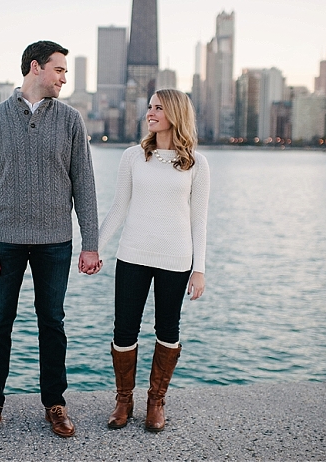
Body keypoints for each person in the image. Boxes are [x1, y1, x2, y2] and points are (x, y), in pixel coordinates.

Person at [0, 40, 102, 439]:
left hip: (55, 242)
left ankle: (55, 404)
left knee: (53, 323)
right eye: (59, 70)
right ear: (35, 68)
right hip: (5, 243)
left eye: (65, 72)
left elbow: (84, 182)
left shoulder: (70, 120)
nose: (64, 77)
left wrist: (90, 242)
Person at [97, 88, 210, 432]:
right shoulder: (133, 156)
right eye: (149, 107)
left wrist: (200, 269)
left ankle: (156, 402)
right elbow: (119, 207)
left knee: (168, 329)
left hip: (176, 258)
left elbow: (198, 219)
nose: (150, 112)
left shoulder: (195, 163)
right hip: (133, 254)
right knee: (124, 329)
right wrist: (95, 248)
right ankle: (123, 400)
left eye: (158, 107)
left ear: (175, 114)